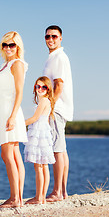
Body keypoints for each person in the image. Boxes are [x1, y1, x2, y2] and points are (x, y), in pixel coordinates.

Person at [0, 31, 28, 208]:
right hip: (2, 110)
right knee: (13, 155)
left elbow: (20, 91)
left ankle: (15, 198)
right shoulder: (5, 65)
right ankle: (18, 197)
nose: (8, 48)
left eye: (12, 45)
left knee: (8, 155)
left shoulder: (17, 64)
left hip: (10, 110)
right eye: (5, 45)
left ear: (18, 47)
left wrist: (13, 116)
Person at [43, 25, 74, 202]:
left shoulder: (59, 57)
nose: (51, 39)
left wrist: (50, 107)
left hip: (57, 109)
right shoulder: (52, 58)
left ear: (60, 38)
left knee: (57, 149)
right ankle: (62, 191)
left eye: (54, 36)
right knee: (61, 149)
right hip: (58, 108)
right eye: (47, 36)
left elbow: (59, 85)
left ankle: (57, 192)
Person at [23, 76, 56, 205]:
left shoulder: (43, 102)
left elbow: (35, 118)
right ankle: (41, 197)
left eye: (43, 87)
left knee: (39, 166)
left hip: (39, 133)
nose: (40, 89)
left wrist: (20, 124)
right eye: (38, 86)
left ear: (48, 89)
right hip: (44, 133)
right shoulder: (46, 101)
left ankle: (39, 197)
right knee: (44, 166)